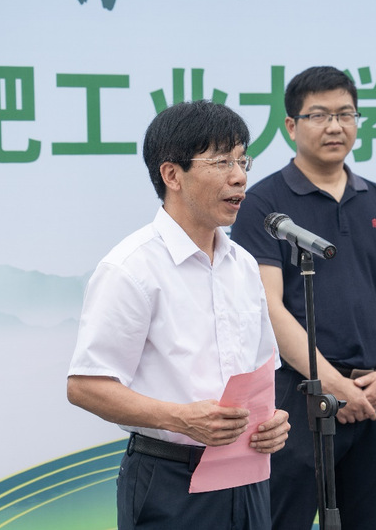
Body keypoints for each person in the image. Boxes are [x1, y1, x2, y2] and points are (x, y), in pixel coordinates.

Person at [67, 100, 291, 530]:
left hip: (248, 474)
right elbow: (85, 386)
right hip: (169, 479)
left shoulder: (244, 264)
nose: (240, 176)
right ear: (172, 175)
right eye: (222, 162)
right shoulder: (131, 268)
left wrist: (273, 422)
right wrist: (180, 418)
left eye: (242, 160)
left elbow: (261, 371)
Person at [230, 66, 376, 529]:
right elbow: (268, 307)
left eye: (345, 114)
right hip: (297, 398)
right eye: (319, 115)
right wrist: (331, 383)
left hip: (372, 395)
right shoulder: (263, 205)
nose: (335, 126)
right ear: (291, 126)